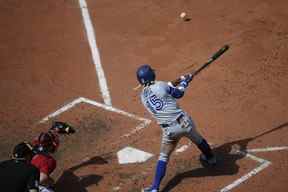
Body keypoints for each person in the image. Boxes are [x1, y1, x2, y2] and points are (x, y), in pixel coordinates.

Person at [136, 64, 216, 192]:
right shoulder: (160, 85)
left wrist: (182, 78)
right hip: (185, 123)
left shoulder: (143, 97)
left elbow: (166, 86)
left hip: (170, 132)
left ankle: (155, 188)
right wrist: (185, 83)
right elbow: (178, 93)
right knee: (198, 140)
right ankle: (211, 158)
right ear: (151, 75)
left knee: (163, 157)